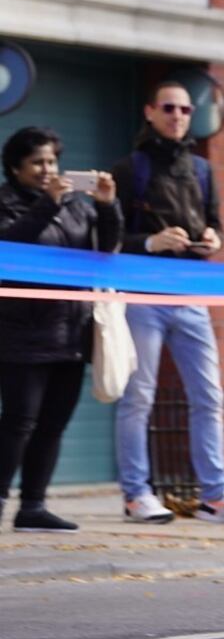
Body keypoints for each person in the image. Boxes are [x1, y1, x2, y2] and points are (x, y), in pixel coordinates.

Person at [111, 81, 224, 525]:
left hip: (191, 294)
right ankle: (136, 494)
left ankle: (215, 496)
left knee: (209, 396)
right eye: (169, 108)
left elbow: (214, 223)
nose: (177, 115)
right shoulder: (130, 168)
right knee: (139, 395)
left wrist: (216, 238)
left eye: (184, 109)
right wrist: (152, 242)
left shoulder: (201, 169)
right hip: (143, 296)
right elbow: (109, 237)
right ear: (150, 112)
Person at [0, 127, 123, 532]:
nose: (46, 169)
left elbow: (106, 250)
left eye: (51, 161)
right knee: (19, 423)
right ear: (16, 167)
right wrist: (46, 205)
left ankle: (33, 506)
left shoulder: (75, 204)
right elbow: (11, 248)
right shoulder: (6, 203)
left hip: (70, 331)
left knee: (53, 424)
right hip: (21, 333)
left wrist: (107, 206)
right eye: (37, 162)